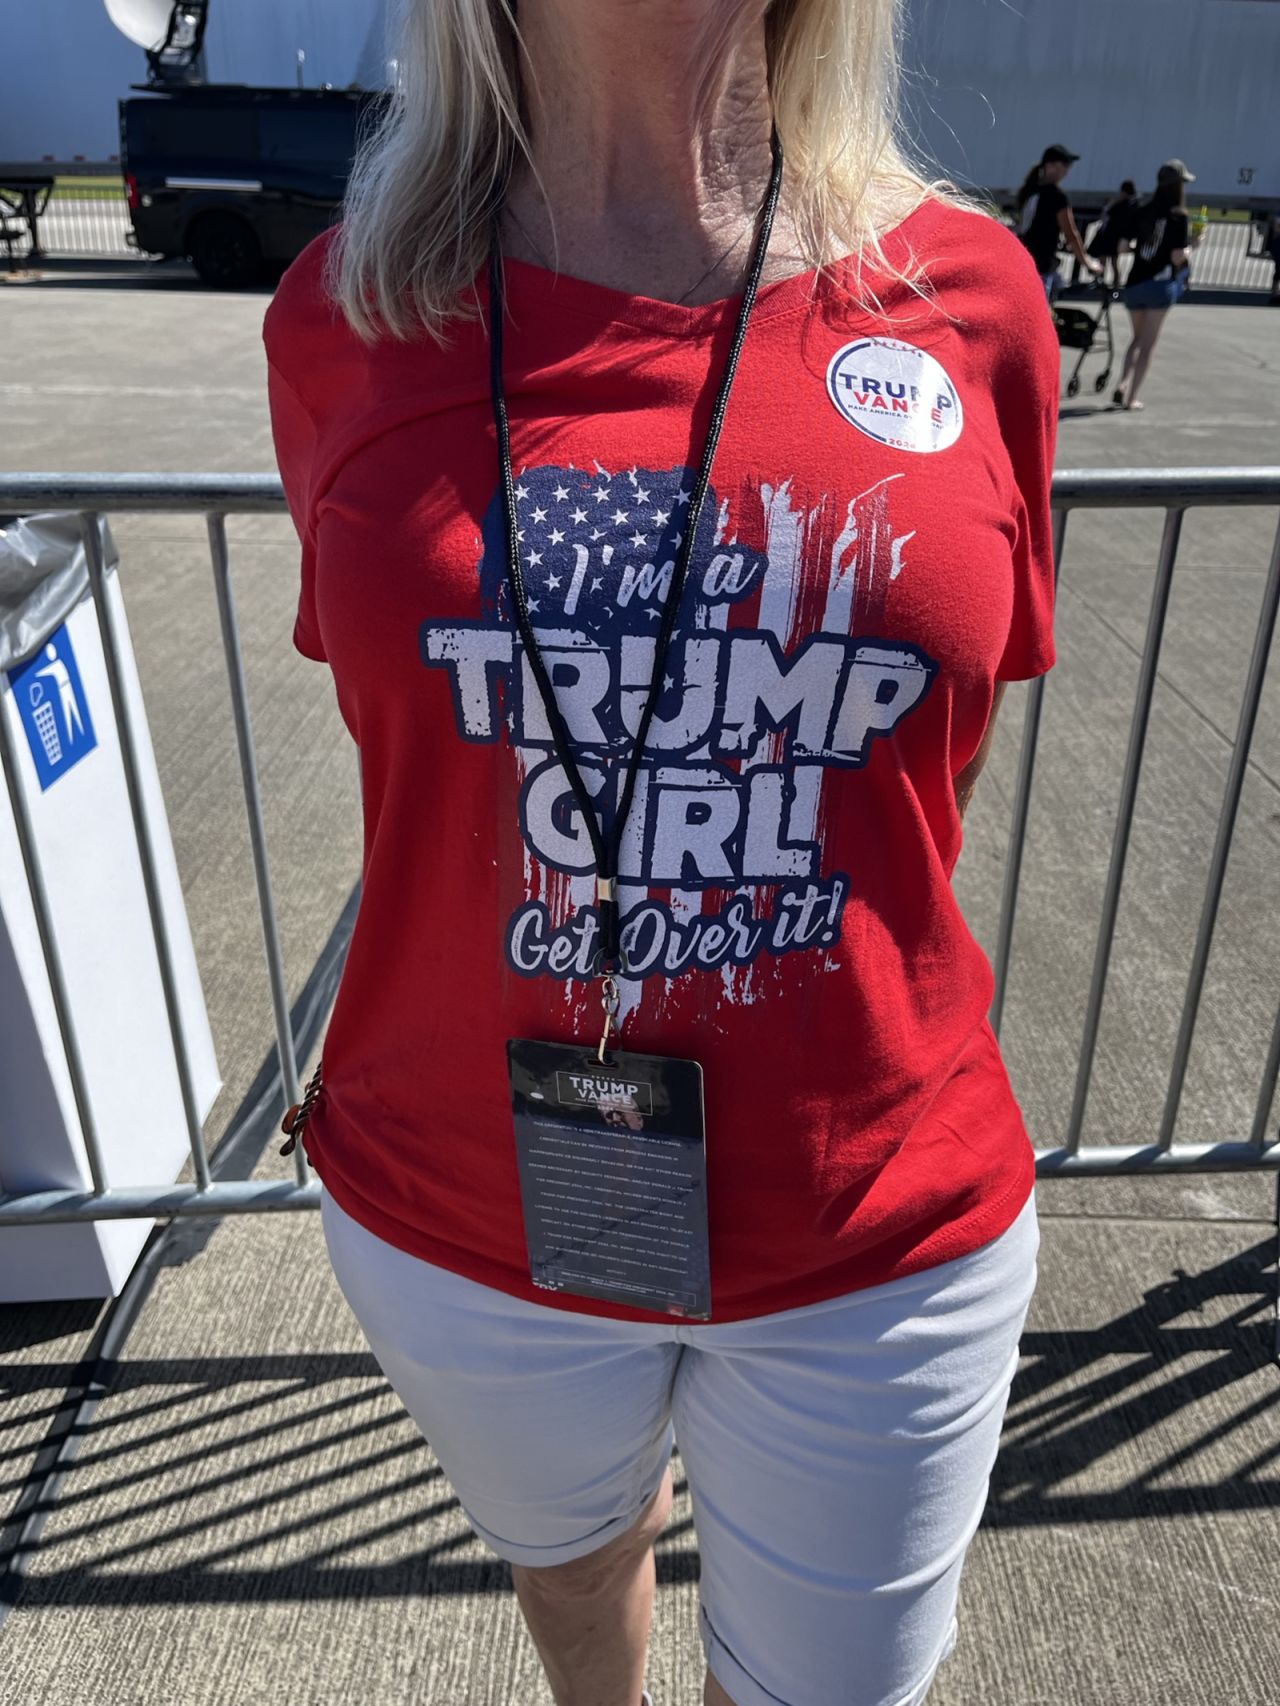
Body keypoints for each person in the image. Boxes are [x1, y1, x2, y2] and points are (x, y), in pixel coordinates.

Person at [264, 4, 1059, 1704]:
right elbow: (417, 766)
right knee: (570, 1574)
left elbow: (925, 789)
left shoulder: (975, 305)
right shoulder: (347, 313)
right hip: (465, 1213)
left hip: (879, 1232)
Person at [1114, 159, 1196, 411]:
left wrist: (1143, 248)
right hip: (1159, 285)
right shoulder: (1178, 216)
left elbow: (1123, 246)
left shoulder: (1141, 209)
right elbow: (1177, 257)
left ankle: (1122, 383)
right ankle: (1132, 398)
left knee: (1135, 339)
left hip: (1135, 283)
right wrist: (1194, 245)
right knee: (1148, 344)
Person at [1015, 143, 1103, 298]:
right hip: (1041, 264)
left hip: (1021, 260)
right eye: (1065, 164)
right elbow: (1071, 233)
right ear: (1050, 165)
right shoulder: (1057, 196)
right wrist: (1087, 262)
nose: (1067, 170)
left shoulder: (1028, 191)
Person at [1087, 178, 1139, 289]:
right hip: (1117, 238)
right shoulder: (1133, 205)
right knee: (1114, 262)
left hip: (1109, 236)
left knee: (1103, 261)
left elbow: (1107, 215)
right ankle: (1116, 285)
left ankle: (1099, 281)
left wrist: (1111, 204)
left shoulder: (1119, 205)